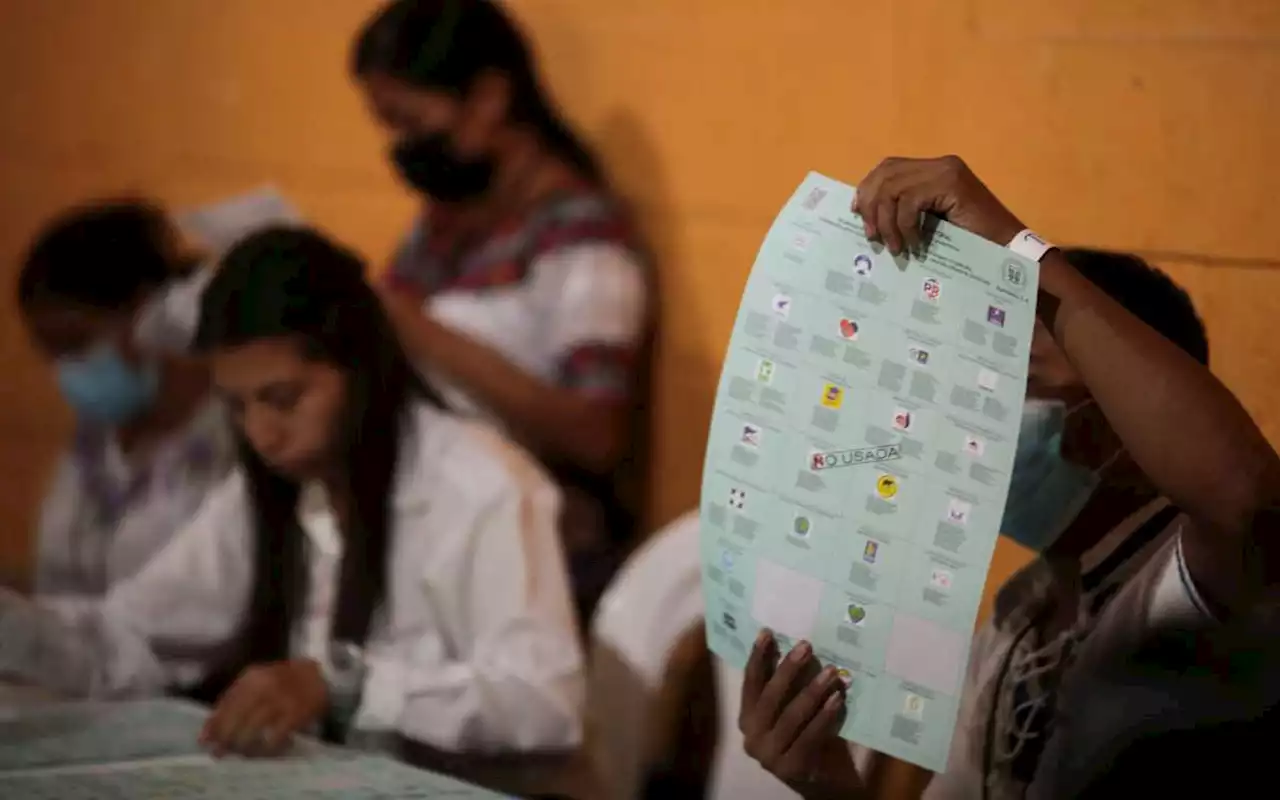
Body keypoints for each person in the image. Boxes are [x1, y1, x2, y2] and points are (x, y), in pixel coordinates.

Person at [736, 156, 1280, 799]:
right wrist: (831, 786)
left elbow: (1248, 501)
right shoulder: (1017, 621)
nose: (971, 417)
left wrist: (1017, 251)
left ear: (1124, 418)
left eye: (1013, 382)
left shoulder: (1192, 591)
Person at [0, 227, 585, 771]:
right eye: (236, 405)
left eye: (283, 398)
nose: (260, 434)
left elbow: (545, 702)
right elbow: (132, 638)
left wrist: (344, 686)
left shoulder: (480, 485)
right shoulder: (268, 489)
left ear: (357, 369)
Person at [351, 0, 653, 624]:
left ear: (489, 98)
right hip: (424, 538)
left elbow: (596, 433)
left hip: (534, 562)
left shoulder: (580, 236)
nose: (401, 149)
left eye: (410, 123)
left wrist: (421, 331)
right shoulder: (442, 227)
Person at [15, 199, 235, 603]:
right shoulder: (94, 447)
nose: (67, 369)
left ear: (150, 313)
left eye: (77, 343)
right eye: (51, 352)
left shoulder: (235, 441)